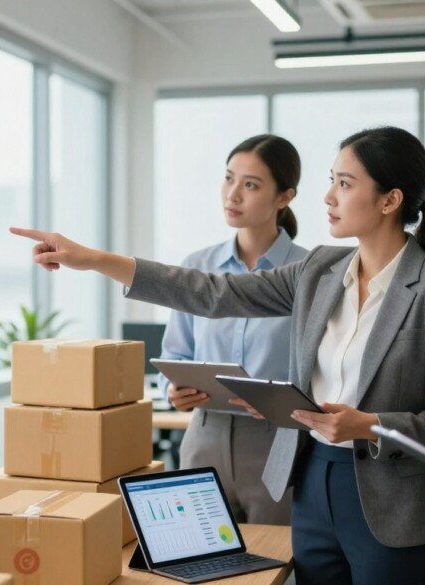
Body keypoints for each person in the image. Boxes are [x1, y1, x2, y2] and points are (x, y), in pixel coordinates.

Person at [11, 126, 425, 585]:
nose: (328, 197)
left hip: (393, 503)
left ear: (390, 200)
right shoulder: (319, 270)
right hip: (311, 482)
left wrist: (370, 426)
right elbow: (213, 292)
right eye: (332, 181)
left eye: (344, 183)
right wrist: (94, 260)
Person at [159, 134, 308, 525]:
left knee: (274, 555)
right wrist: (172, 389)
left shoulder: (310, 274)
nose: (233, 194)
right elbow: (175, 353)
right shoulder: (198, 267)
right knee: (199, 551)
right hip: (203, 435)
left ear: (284, 197)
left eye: (251, 185)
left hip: (277, 440)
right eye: (229, 178)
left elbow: (323, 371)